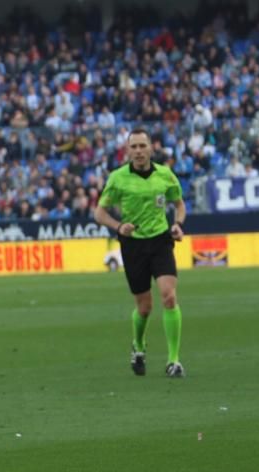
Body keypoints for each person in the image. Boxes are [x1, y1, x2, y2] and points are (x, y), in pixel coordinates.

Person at [93, 127, 186, 378]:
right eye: (133, 147)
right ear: (127, 151)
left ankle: (173, 360)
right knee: (144, 307)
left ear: (151, 148)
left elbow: (179, 204)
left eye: (142, 146)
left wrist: (178, 224)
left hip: (160, 241)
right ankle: (138, 345)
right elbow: (99, 213)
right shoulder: (118, 178)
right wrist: (118, 226)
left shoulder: (165, 175)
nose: (138, 151)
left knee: (168, 296)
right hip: (133, 244)